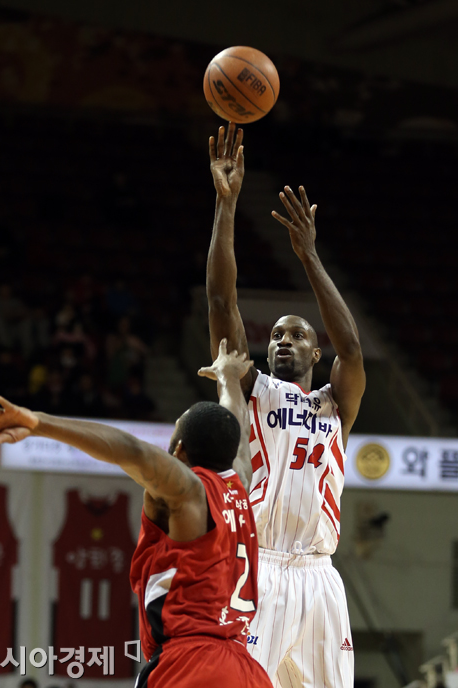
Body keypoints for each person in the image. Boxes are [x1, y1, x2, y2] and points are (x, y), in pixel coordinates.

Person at [0, 340, 273, 688]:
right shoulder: (240, 483)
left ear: (179, 450)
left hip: (192, 664)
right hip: (246, 668)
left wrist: (39, 423)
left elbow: (131, 450)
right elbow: (237, 427)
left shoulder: (188, 490)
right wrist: (229, 378)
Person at [207, 123, 366, 688]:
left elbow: (352, 349)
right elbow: (221, 299)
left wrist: (308, 255)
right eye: (275, 334)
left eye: (297, 335)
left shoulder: (335, 404)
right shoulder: (253, 387)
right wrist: (227, 205)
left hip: (320, 576)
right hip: (262, 566)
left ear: (315, 353)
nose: (282, 341)